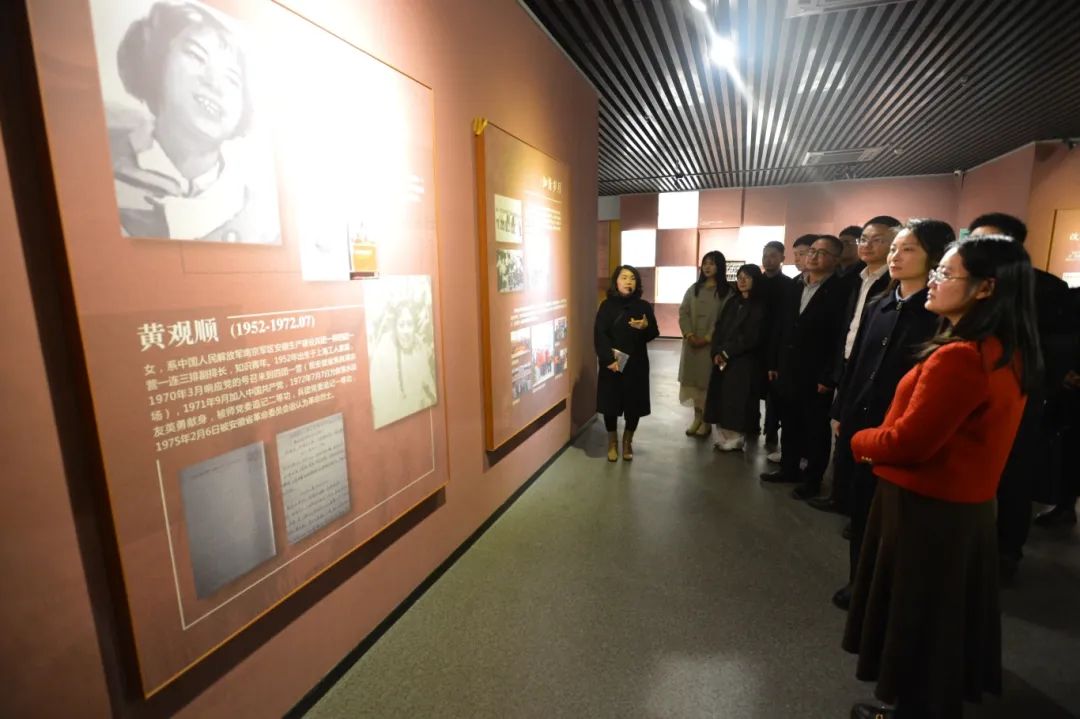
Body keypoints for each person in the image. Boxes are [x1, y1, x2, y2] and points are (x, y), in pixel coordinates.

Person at [843, 234, 1041, 719]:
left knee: (917, 617)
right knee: (940, 621)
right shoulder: (1003, 349)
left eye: (946, 273)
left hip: (927, 509)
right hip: (962, 507)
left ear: (986, 287)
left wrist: (859, 442)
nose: (934, 281)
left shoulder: (960, 357)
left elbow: (908, 443)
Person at [825, 219, 953, 610]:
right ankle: (860, 582)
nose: (896, 256)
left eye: (908, 249)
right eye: (894, 248)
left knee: (899, 516)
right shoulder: (879, 305)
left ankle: (892, 591)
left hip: (902, 429)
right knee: (862, 510)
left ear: (934, 257)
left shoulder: (939, 314)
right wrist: (841, 410)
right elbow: (856, 363)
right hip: (862, 422)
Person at [108, 1, 280, 243]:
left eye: (232, 78)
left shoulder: (257, 217)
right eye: (196, 56)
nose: (215, 84)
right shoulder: (105, 166)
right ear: (156, 61)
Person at [967, 213, 1069, 581]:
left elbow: (1058, 343)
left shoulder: (1046, 288)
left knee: (1013, 474)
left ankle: (1006, 552)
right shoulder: (967, 283)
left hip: (1021, 391)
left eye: (987, 240)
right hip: (972, 386)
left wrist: (1042, 383)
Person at [807, 216, 898, 511]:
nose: (867, 245)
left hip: (874, 368)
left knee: (865, 434)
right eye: (864, 239)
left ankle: (857, 504)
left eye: (877, 240)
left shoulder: (892, 281)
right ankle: (841, 495)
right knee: (842, 428)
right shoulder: (858, 279)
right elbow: (846, 329)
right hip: (849, 362)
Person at [762, 236, 849, 496]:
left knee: (815, 428)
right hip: (787, 367)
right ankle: (788, 468)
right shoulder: (795, 285)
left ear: (835, 259)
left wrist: (830, 375)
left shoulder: (842, 290)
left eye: (822, 253)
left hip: (817, 372)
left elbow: (840, 336)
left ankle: (812, 480)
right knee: (789, 422)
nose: (813, 256)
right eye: (812, 251)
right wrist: (774, 362)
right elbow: (780, 326)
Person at [595, 265, 660, 462]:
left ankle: (627, 442)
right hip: (613, 363)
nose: (628, 281)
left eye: (632, 278)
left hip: (636, 363)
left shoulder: (643, 306)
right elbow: (600, 335)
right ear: (616, 281)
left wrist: (645, 327)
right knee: (610, 404)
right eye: (624, 277)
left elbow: (653, 333)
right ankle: (612, 442)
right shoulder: (606, 306)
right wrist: (608, 360)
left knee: (634, 405)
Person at [704, 264, 767, 451]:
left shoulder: (759, 305)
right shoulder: (733, 302)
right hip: (723, 359)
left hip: (743, 361)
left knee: (738, 400)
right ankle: (724, 436)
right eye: (739, 277)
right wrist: (716, 351)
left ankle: (736, 438)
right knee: (721, 397)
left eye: (747, 277)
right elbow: (720, 327)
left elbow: (752, 336)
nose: (742, 281)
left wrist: (726, 352)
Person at [677, 251, 733, 437]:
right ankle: (697, 418)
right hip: (691, 344)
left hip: (711, 346)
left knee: (706, 384)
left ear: (720, 267)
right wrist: (689, 334)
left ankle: (706, 421)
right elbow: (683, 312)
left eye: (712, 263)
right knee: (693, 384)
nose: (707, 267)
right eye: (705, 263)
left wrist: (708, 338)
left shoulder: (726, 292)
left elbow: (725, 320)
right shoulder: (694, 288)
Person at [758, 241, 795, 447]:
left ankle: (771, 429)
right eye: (765, 255)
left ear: (782, 258)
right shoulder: (756, 282)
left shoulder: (790, 285)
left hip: (778, 344)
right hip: (755, 343)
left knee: (774, 391)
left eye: (773, 255)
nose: (768, 259)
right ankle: (750, 425)